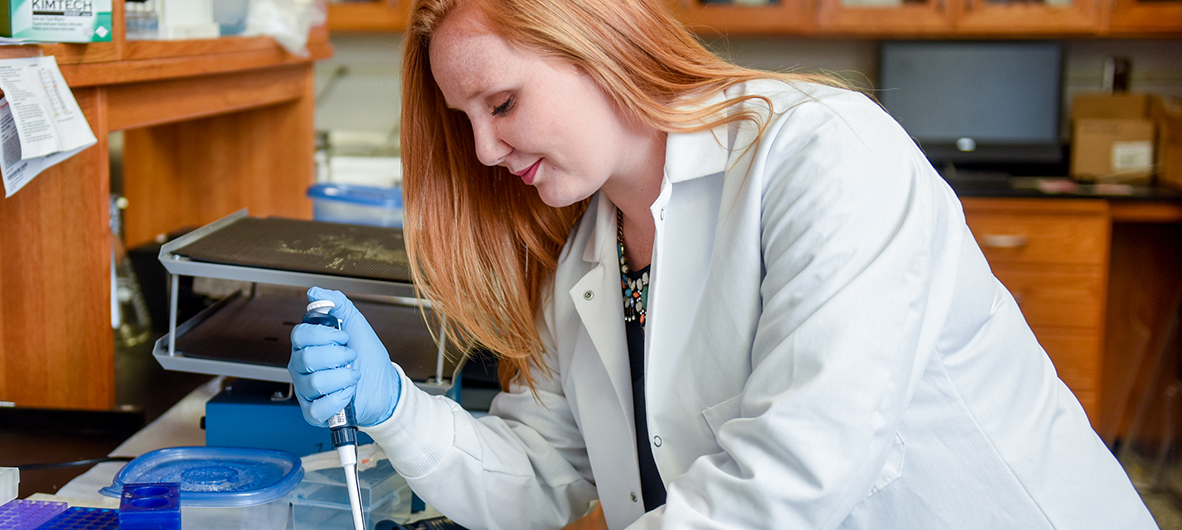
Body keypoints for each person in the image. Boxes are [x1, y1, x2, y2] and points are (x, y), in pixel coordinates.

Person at [289, 0, 1158, 528]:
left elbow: (798, 468)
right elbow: (539, 477)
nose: (482, 149)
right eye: (464, 119)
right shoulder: (589, 258)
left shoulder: (821, 152)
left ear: (598, 39)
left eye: (503, 102)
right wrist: (396, 407)